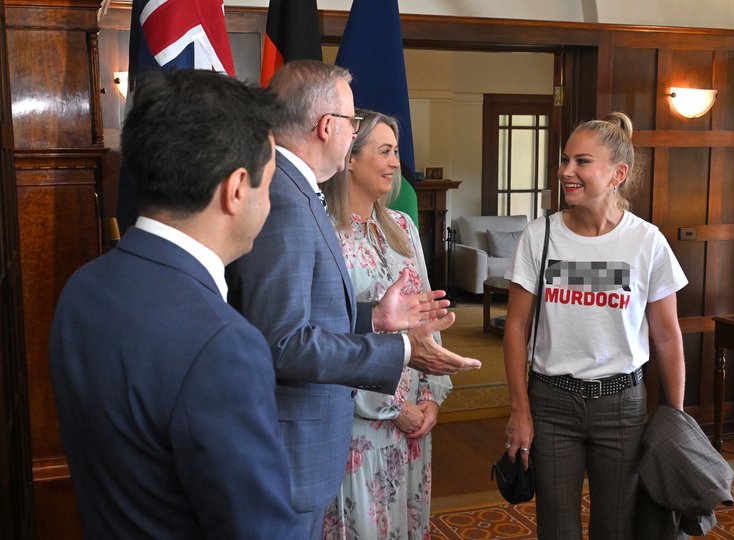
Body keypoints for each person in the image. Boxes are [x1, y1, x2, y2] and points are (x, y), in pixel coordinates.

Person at [226, 60, 480, 539]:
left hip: (362, 421)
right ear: (329, 127)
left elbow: (327, 316)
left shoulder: (312, 200)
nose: (392, 161)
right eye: (356, 127)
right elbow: (285, 341)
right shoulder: (288, 201)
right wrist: (399, 359)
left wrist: (380, 324)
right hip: (331, 430)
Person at [49, 70, 305, 539]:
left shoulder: (82, 288)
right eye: (269, 186)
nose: (270, 204)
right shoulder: (224, 346)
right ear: (235, 189)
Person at [502, 112, 687, 539]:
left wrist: (675, 416)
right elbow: (516, 328)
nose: (567, 171)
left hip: (622, 405)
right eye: (565, 160)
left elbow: (665, 334)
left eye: (582, 162)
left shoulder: (646, 241)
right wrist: (519, 408)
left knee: (617, 527)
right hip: (551, 404)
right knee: (557, 529)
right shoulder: (539, 236)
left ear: (618, 173)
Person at [320, 111, 452, 539]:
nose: (396, 162)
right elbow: (327, 337)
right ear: (350, 158)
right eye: (384, 151)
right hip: (362, 423)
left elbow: (427, 311)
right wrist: (394, 410)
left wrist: (432, 397)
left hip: (416, 417)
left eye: (396, 151)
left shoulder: (402, 225)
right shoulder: (325, 233)